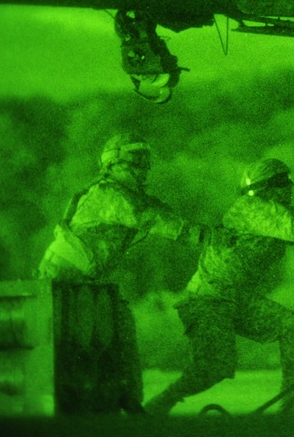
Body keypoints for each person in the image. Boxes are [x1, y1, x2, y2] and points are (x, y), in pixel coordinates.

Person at [144, 158, 294, 415]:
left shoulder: (278, 218)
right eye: (283, 182)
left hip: (239, 299)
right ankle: (157, 407)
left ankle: (288, 408)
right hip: (208, 299)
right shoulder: (248, 208)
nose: (290, 187)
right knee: (211, 369)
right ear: (265, 189)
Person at [37, 132, 206, 414]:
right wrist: (203, 237)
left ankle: (127, 401)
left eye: (145, 159)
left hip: (86, 279)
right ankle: (80, 405)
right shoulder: (108, 194)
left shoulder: (127, 196)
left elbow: (161, 213)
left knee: (120, 330)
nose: (143, 167)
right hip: (63, 274)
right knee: (69, 340)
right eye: (135, 159)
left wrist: (206, 233)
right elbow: (150, 218)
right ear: (112, 164)